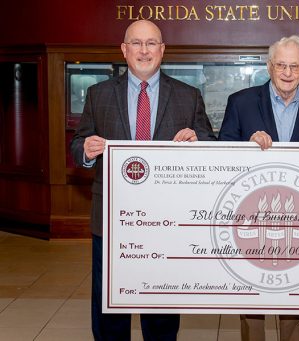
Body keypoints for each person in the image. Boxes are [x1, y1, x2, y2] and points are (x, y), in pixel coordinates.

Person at [70, 19, 216, 340]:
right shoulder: (99, 94)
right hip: (111, 222)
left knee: (161, 309)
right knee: (110, 309)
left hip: (167, 222)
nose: (144, 50)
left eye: (151, 43)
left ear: (162, 51)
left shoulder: (188, 96)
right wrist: (87, 149)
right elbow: (78, 144)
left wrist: (199, 143)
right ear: (124, 50)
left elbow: (210, 147)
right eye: (136, 43)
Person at [219, 35, 299, 341]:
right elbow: (221, 153)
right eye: (280, 65)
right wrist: (247, 146)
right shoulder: (240, 102)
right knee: (253, 303)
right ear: (270, 67)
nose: (287, 72)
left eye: (294, 66)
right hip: (250, 220)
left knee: (294, 301)